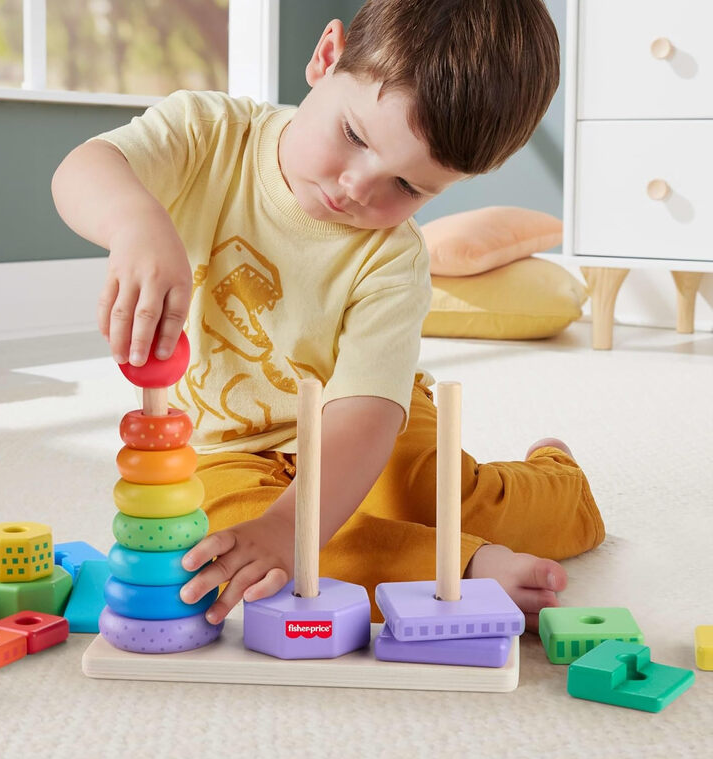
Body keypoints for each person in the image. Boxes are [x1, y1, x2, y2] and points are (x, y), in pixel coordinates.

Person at [52, 0, 604, 632]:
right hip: (227, 445)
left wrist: (291, 525)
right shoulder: (207, 134)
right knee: (233, 545)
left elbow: (364, 419)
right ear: (326, 57)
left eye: (409, 187)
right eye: (355, 136)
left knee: (436, 498)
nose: (357, 188)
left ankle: (558, 483)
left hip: (364, 424)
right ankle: (463, 567)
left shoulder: (393, 260)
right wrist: (135, 223)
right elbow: (85, 168)